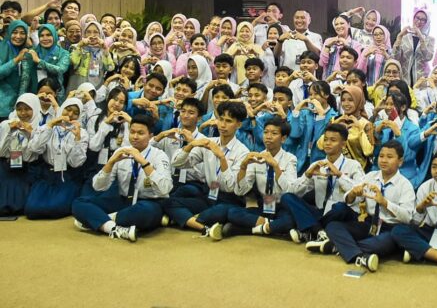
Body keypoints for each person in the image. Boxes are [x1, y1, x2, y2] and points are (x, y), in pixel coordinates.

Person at [306, 140, 416, 273]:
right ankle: (360, 256)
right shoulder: (370, 176)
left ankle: (338, 246)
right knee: (333, 226)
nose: (384, 160)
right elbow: (349, 200)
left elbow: (407, 217)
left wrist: (385, 202)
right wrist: (353, 193)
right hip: (369, 224)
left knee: (377, 245)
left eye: (389, 157)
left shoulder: (405, 185)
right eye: (381, 156)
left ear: (400, 161)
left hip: (389, 228)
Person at [71, 113, 173, 242]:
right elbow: (98, 187)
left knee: (145, 212)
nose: (135, 137)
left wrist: (143, 162)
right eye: (132, 132)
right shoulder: (122, 151)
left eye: (140, 133)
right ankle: (114, 228)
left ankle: (99, 220)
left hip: (148, 202)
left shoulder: (159, 156)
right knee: (79, 203)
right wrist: (110, 163)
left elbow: (164, 189)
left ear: (150, 135)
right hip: (123, 201)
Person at [167, 100, 249, 236]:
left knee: (221, 211)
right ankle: (203, 226)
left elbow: (229, 187)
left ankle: (184, 218)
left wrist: (222, 158)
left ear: (239, 124)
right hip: (208, 195)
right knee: (169, 202)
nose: (222, 125)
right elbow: (176, 163)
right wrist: (190, 145)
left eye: (228, 121)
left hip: (228, 198)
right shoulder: (209, 142)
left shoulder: (242, 152)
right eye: (220, 119)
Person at [211, 117, 297, 239]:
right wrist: (243, 167)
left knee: (290, 219)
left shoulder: (290, 159)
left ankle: (250, 229)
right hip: (264, 206)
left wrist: (275, 166)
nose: (268, 136)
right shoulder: (257, 157)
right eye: (266, 132)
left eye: (274, 133)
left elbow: (290, 190)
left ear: (283, 138)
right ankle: (272, 227)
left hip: (281, 207)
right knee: (233, 213)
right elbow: (240, 191)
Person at [280, 123, 365, 244]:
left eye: (333, 140)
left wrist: (340, 175)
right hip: (321, 212)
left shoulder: (353, 165)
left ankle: (310, 231)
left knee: (340, 207)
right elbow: (294, 191)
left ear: (343, 144)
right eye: (325, 139)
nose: (327, 143)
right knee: (287, 197)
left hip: (343, 214)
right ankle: (319, 231)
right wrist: (307, 175)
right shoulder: (317, 165)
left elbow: (360, 194)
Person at [25, 98, 88, 218]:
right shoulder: (48, 127)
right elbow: (34, 148)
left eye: (75, 113)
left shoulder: (82, 133)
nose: (70, 114)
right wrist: (50, 125)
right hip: (47, 174)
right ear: (62, 108)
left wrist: (77, 138)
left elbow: (75, 163)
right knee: (31, 209)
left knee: (57, 208)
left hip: (67, 176)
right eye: (68, 109)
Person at [0, 94, 42, 215]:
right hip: (7, 166)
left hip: (27, 169)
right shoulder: (7, 124)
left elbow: (30, 156)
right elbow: (1, 152)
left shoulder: (40, 127)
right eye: (19, 109)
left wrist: (30, 134)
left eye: (27, 109)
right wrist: (9, 131)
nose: (23, 113)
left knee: (17, 205)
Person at [0, 20, 37, 119]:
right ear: (9, 32)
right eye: (15, 32)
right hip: (2, 106)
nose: (18, 36)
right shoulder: (1, 48)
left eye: (22, 33)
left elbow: (32, 78)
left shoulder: (27, 51)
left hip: (22, 108)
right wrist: (15, 60)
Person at [392, 9, 435, 86]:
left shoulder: (430, 39)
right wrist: (399, 37)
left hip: (420, 81)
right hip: (403, 79)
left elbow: (428, 57)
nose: (419, 21)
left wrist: (421, 38)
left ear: (427, 22)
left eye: (423, 20)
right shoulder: (404, 36)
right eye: (417, 18)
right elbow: (395, 57)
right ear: (413, 18)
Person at [30, 23, 70, 101]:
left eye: (48, 35)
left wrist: (39, 61)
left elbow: (60, 69)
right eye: (42, 35)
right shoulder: (33, 52)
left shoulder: (64, 53)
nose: (45, 38)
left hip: (56, 95)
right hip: (35, 93)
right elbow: (25, 78)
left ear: (54, 36)